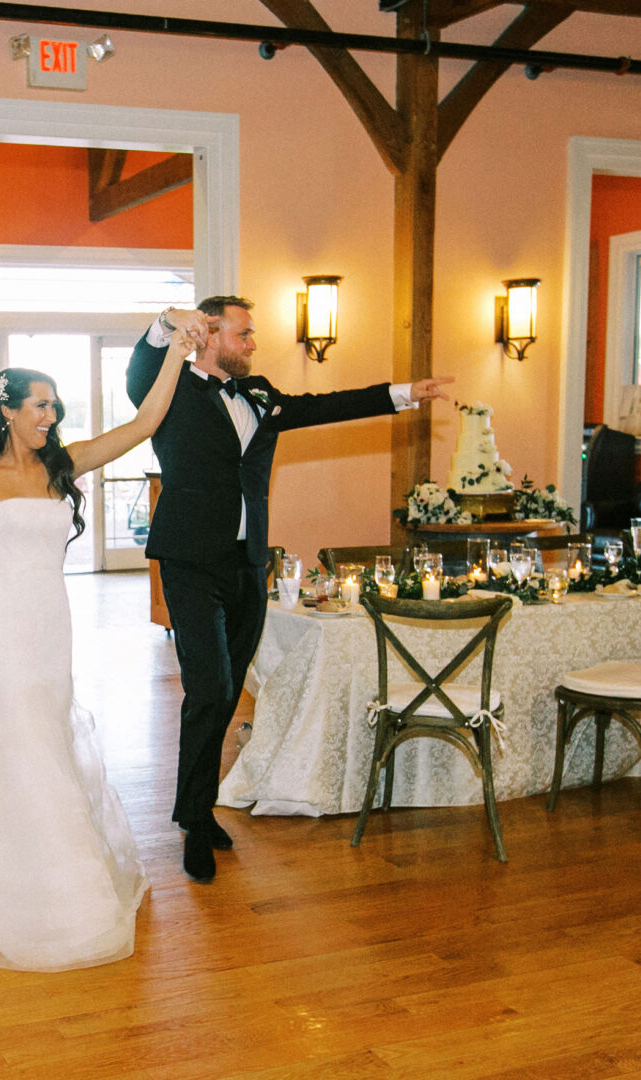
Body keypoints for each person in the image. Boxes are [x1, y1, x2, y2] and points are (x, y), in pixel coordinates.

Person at [0, 329, 195, 971]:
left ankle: (29, 861)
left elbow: (146, 421)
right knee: (22, 739)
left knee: (43, 738)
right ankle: (52, 896)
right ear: (9, 411)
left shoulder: (61, 467)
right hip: (0, 627)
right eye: (40, 406)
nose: (51, 417)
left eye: (54, 407)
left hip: (52, 625)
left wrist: (178, 353)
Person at [128, 297, 452, 883]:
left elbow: (325, 407)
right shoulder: (169, 386)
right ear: (210, 333)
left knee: (226, 696)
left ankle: (191, 805)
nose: (254, 344)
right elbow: (141, 366)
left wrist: (403, 393)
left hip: (249, 566)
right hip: (190, 562)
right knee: (210, 688)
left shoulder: (258, 394)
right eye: (245, 334)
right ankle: (196, 825)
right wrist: (167, 325)